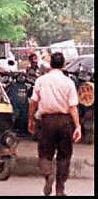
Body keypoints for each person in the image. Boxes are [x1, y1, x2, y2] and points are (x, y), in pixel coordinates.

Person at [28, 51, 82, 197]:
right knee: (64, 156)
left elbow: (33, 102)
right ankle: (60, 189)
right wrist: (77, 126)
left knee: (45, 154)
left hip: (46, 121)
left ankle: (48, 174)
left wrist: (31, 120)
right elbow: (72, 107)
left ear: (50, 64)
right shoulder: (68, 82)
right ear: (64, 64)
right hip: (65, 121)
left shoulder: (41, 80)